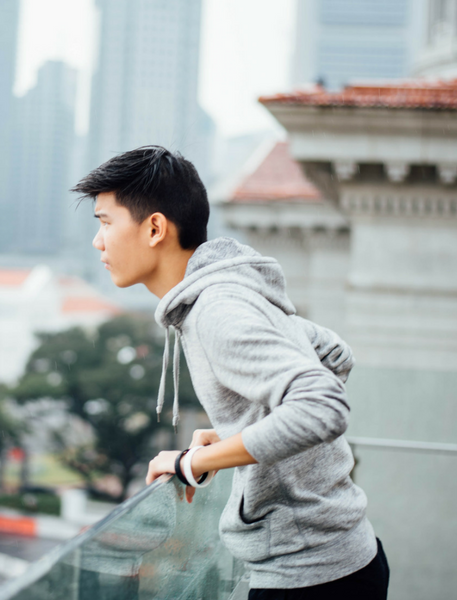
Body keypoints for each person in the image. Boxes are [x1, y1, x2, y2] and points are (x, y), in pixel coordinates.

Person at [71, 146, 389, 599]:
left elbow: (323, 406)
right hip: (344, 559)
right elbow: (334, 354)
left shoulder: (216, 311)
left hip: (311, 577)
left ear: (155, 227)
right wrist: (243, 431)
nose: (98, 241)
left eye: (105, 222)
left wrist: (194, 461)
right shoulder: (230, 293)